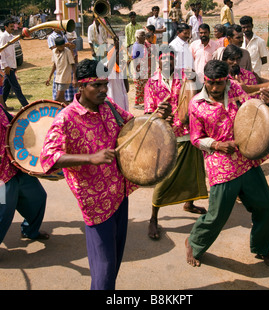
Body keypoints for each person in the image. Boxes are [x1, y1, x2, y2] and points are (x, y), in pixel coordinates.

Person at [40, 58, 138, 290]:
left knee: (113, 263)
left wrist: (154, 115)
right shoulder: (66, 118)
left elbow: (131, 124)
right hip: (95, 203)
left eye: (105, 83)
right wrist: (90, 159)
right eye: (97, 85)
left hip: (120, 194)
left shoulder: (109, 106)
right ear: (81, 86)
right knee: (104, 272)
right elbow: (48, 158)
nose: (104, 89)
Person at [185, 59, 269, 269]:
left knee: (266, 208)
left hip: (246, 159)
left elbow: (253, 113)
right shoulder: (197, 104)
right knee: (217, 216)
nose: (216, 88)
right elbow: (196, 138)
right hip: (221, 163)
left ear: (227, 79)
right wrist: (217, 145)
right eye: (211, 83)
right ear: (204, 80)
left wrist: (267, 105)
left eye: (220, 82)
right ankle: (194, 242)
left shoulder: (235, 88)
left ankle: (262, 249)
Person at [144, 49, 208, 240]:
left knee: (193, 172)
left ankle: (189, 203)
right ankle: (153, 218)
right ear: (158, 62)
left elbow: (197, 96)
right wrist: (159, 114)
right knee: (165, 179)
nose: (166, 66)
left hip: (189, 132)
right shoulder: (151, 83)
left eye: (170, 62)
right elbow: (149, 113)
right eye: (163, 62)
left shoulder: (185, 77)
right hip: (167, 136)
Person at [0, 105, 49, 244]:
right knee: (3, 212)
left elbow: (15, 122)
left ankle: (30, 230)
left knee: (37, 198)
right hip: (2, 176)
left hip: (16, 165)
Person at [0, 19, 28, 108]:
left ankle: (2, 106)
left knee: (6, 88)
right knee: (16, 87)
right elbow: (1, 52)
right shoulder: (3, 37)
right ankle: (26, 105)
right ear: (6, 27)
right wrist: (5, 66)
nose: (13, 28)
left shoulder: (11, 36)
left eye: (13, 26)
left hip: (12, 65)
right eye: (11, 27)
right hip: (8, 66)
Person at [47, 28, 77, 103]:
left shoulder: (67, 52)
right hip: (58, 77)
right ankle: (67, 108)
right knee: (60, 99)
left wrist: (74, 78)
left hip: (65, 78)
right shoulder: (54, 51)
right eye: (60, 46)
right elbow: (54, 65)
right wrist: (49, 77)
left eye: (63, 46)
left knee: (58, 98)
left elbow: (73, 65)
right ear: (56, 46)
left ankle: (69, 109)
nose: (62, 47)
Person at [130, 29, 148, 108]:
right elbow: (135, 59)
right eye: (142, 35)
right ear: (137, 37)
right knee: (139, 87)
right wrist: (137, 70)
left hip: (143, 69)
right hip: (139, 69)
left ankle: (142, 102)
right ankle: (136, 104)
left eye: (144, 35)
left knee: (143, 86)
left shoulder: (142, 45)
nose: (144, 37)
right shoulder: (137, 46)